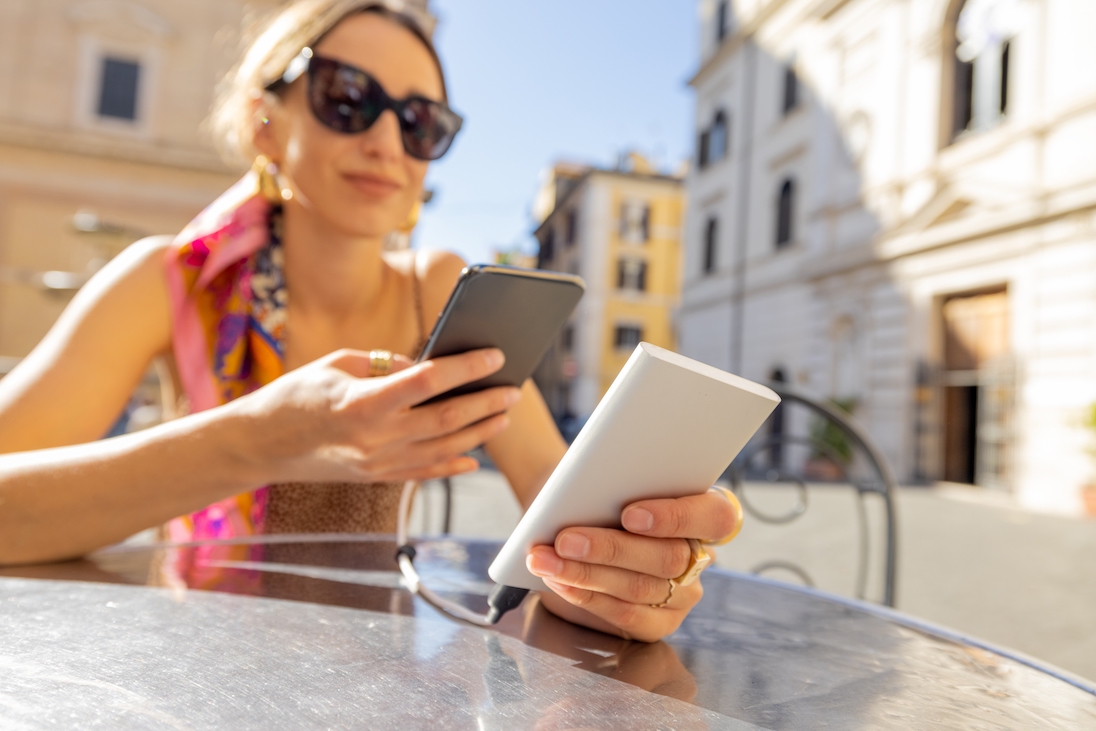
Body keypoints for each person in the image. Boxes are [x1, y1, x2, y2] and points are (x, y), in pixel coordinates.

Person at [0, 0, 741, 643]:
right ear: (266, 122)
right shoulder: (169, 280)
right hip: (192, 666)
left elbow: (556, 516)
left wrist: (626, 576)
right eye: (347, 96)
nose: (386, 141)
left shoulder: (439, 291)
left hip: (383, 679)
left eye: (421, 122)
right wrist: (259, 440)